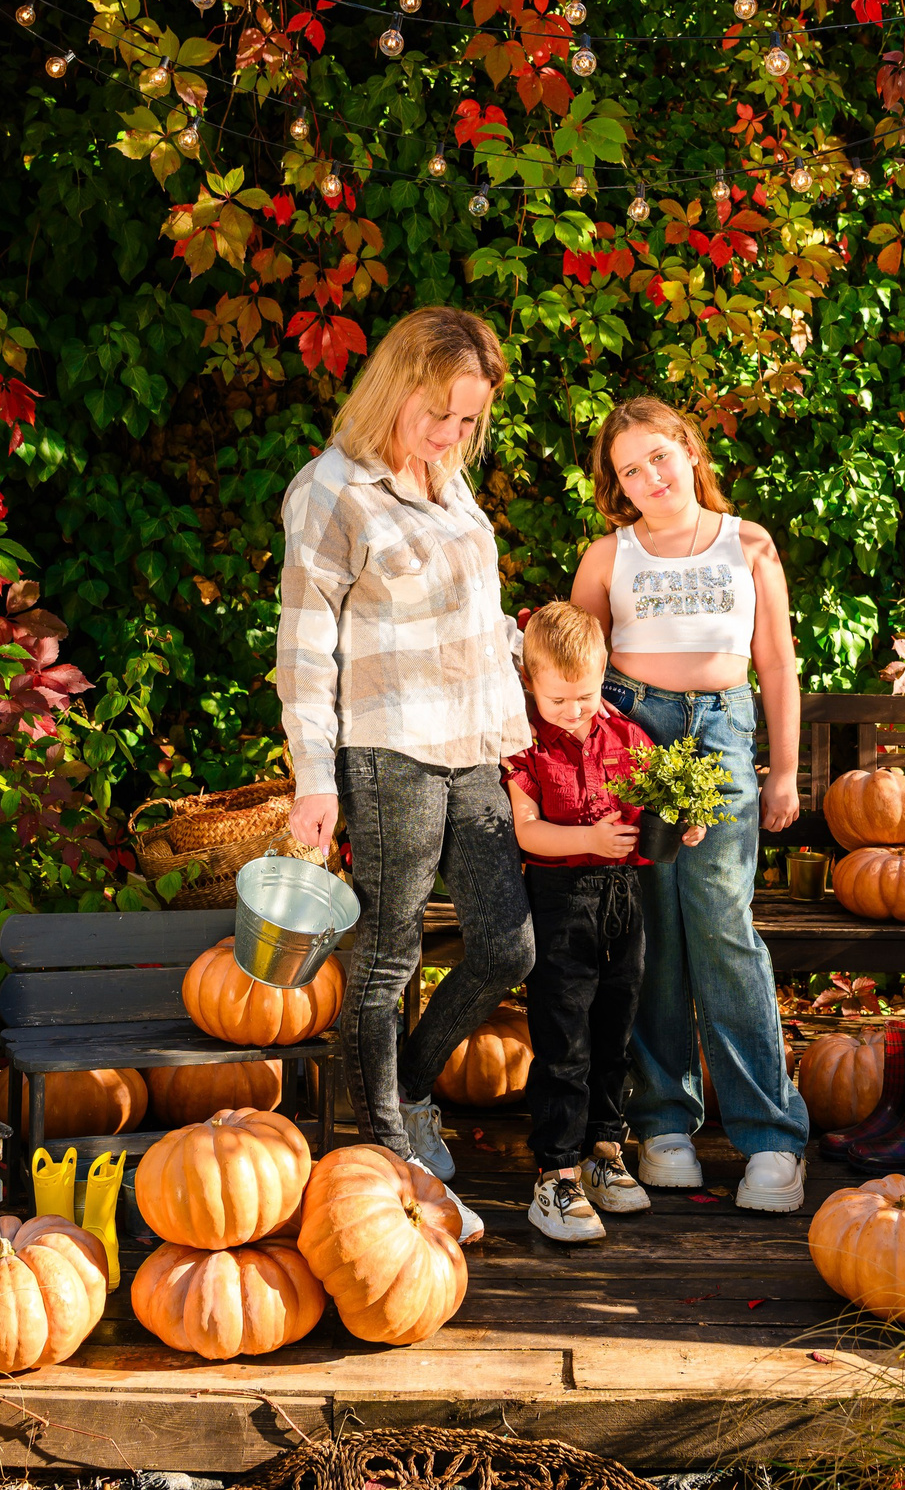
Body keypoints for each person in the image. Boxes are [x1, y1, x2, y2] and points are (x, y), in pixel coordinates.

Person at [278, 306, 534, 1241]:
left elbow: (467, 616)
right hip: (387, 748)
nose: (452, 436)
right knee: (385, 957)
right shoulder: (332, 491)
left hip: (472, 742)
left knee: (508, 948)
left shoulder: (447, 479)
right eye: (439, 414)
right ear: (396, 386)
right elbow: (304, 651)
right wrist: (316, 777)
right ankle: (384, 1158)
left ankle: (411, 1092)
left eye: (468, 421)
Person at [571, 397, 811, 1212]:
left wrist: (783, 769)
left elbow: (775, 661)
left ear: (689, 449)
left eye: (659, 458)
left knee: (720, 921)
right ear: (617, 487)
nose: (649, 479)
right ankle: (664, 1122)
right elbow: (575, 673)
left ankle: (772, 1137)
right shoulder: (609, 557)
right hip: (632, 731)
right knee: (648, 928)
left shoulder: (749, 544)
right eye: (629, 471)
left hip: (721, 733)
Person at [501, 602, 705, 1243]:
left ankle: (604, 1154)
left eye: (586, 696)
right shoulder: (523, 743)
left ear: (602, 677)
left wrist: (684, 823)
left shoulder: (628, 737)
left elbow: (653, 816)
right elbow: (526, 830)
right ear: (532, 684)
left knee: (616, 1033)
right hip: (561, 901)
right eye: (559, 698)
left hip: (623, 901)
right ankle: (554, 1175)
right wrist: (587, 835)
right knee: (565, 1042)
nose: (574, 710)